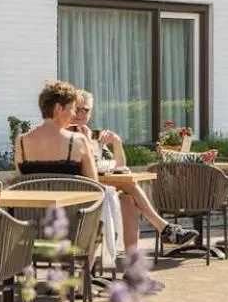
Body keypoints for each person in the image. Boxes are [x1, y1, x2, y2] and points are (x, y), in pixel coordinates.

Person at [14, 81, 196, 251]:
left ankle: (135, 255)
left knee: (127, 199)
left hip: (32, 223)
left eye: (83, 110)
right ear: (58, 108)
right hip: (75, 223)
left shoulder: (21, 141)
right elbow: (93, 184)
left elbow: (22, 183)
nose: (75, 114)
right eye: (72, 109)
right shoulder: (77, 140)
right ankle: (88, 273)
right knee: (118, 198)